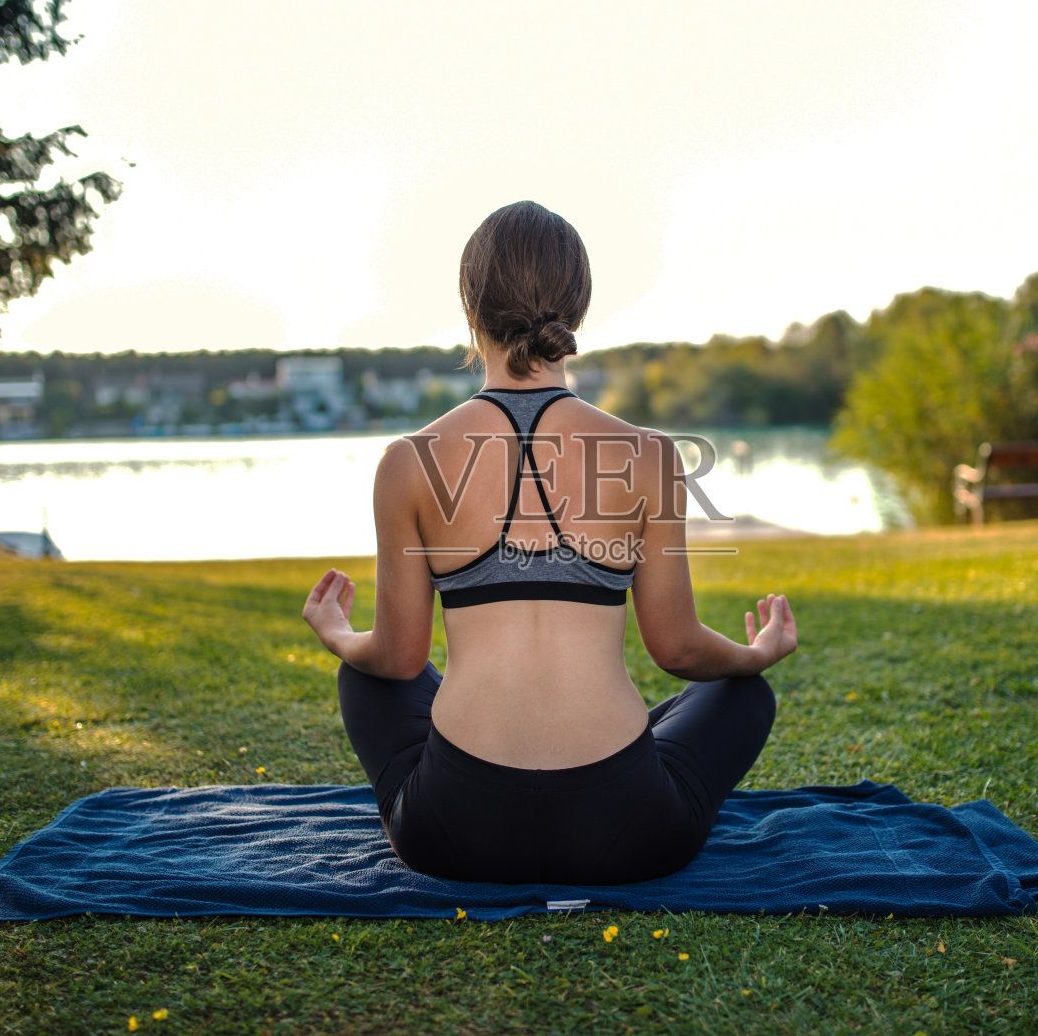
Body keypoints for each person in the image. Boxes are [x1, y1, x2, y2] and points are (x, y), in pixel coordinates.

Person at [302, 201, 797, 884]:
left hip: (454, 834)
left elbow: (398, 656)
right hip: (627, 831)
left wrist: (337, 634)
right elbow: (678, 649)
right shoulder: (649, 457)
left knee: (363, 674)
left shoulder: (409, 462)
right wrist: (755, 652)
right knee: (743, 692)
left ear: (470, 307)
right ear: (578, 308)